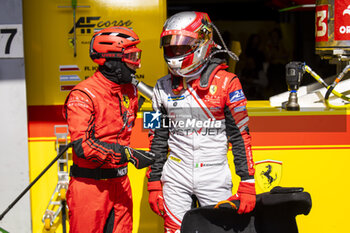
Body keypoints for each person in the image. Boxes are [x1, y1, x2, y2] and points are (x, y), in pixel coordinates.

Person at [146, 11, 256, 233]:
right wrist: (154, 180)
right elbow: (155, 136)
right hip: (175, 174)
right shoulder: (160, 86)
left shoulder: (228, 83)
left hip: (214, 174)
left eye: (182, 46)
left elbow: (241, 135)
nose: (175, 52)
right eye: (171, 47)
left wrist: (247, 181)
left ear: (202, 42)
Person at [63, 26, 156, 233]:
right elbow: (82, 146)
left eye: (136, 55)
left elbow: (148, 117)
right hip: (90, 188)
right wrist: (127, 154)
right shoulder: (83, 94)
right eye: (131, 56)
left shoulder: (131, 91)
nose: (136, 63)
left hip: (121, 184)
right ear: (111, 60)